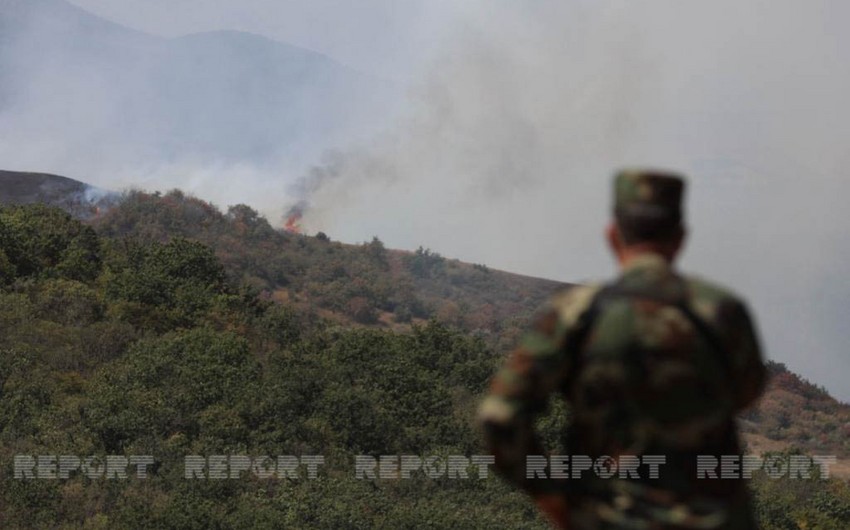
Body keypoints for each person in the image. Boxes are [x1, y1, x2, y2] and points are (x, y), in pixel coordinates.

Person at [477, 169, 767, 529]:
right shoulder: (723, 312)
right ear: (680, 238)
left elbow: (500, 418)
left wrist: (553, 497)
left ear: (613, 235)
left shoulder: (574, 314)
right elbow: (746, 392)